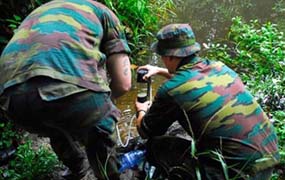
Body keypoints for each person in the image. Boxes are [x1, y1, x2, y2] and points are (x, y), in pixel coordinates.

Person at [0, 0, 132, 179]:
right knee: (98, 128)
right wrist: (106, 107)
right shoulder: (102, 11)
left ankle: (78, 169)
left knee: (55, 124)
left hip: (11, 99)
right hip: (66, 89)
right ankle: (107, 175)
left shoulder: (41, 10)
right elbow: (124, 84)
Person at [135, 23, 280, 179]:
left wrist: (141, 109)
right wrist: (159, 71)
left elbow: (146, 131)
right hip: (269, 158)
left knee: (156, 146)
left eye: (161, 55)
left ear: (170, 56)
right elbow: (196, 81)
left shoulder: (171, 89)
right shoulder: (219, 67)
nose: (162, 60)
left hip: (239, 173)